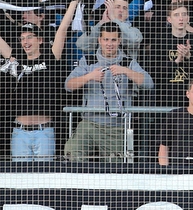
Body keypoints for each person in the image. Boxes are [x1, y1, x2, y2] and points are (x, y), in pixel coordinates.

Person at [0, 0, 79, 161]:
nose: (25, 42)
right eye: (22, 38)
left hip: (44, 132)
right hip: (20, 132)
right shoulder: (16, 58)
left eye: (29, 37)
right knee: (20, 180)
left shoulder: (50, 57)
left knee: (45, 180)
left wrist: (74, 2)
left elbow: (62, 30)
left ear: (40, 40)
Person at [64, 23, 154, 161]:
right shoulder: (88, 60)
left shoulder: (128, 62)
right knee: (72, 153)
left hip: (116, 127)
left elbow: (149, 83)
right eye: (106, 39)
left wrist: (126, 71)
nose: (109, 44)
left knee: (115, 168)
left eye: (113, 40)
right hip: (89, 123)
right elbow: (68, 85)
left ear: (119, 41)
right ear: (99, 40)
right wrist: (89, 77)